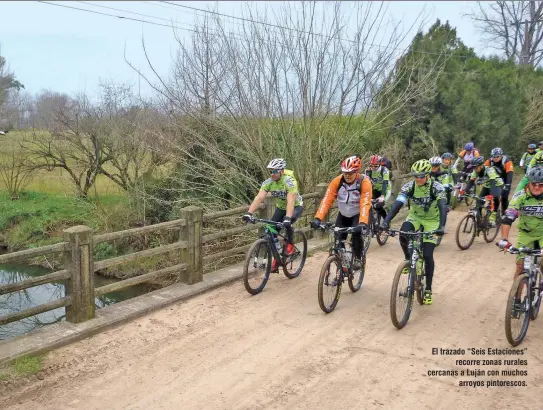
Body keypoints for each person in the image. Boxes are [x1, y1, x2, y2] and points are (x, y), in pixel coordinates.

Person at [380, 159, 447, 305]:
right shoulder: (409, 187)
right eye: (415, 176)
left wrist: (441, 227)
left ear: (428, 175)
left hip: (432, 221)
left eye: (421, 176)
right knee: (403, 233)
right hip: (415, 217)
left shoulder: (437, 187)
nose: (418, 179)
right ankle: (408, 258)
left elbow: (442, 207)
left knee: (428, 254)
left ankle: (428, 288)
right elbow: (397, 205)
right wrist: (386, 221)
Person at [242, 158, 304, 271]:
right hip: (281, 208)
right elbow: (259, 197)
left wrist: (287, 218)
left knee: (288, 222)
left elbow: (290, 201)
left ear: (281, 171)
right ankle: (277, 259)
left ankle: (290, 245)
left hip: (295, 206)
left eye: (275, 171)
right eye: (271, 171)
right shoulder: (268, 182)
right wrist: (249, 213)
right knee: (271, 231)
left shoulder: (289, 182)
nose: (272, 174)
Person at [311, 155, 372, 269]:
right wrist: (318, 218)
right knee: (338, 238)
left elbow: (365, 202)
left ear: (357, 172)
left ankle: (358, 258)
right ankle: (343, 261)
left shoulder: (364, 182)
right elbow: (327, 200)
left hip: (358, 214)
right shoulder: (337, 181)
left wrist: (362, 222)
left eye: (351, 173)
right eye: (345, 172)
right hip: (343, 214)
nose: (348, 175)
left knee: (356, 234)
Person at [498, 167, 543, 290]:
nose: (537, 187)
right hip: (526, 233)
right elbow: (508, 218)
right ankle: (516, 301)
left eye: (541, 185)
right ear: (529, 183)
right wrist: (504, 239)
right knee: (520, 266)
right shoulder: (520, 196)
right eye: (534, 184)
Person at [460, 156, 503, 227]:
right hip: (486, 186)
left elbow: (492, 182)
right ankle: (479, 222)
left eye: (476, 167)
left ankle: (493, 217)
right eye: (473, 167)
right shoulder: (475, 172)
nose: (474, 169)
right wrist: (464, 191)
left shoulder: (490, 170)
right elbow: (471, 182)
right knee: (478, 202)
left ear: (481, 166)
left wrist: (491, 195)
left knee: (495, 198)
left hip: (496, 185)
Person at [484, 147, 513, 214]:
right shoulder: (489, 161)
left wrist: (508, 185)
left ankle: (504, 212)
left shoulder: (507, 161)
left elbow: (510, 174)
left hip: (505, 179)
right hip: (494, 179)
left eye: (497, 156)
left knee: (504, 196)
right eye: (493, 156)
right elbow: (483, 170)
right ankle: (492, 211)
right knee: (492, 195)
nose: (495, 158)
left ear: (501, 155)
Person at [364, 154, 391, 219]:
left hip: (385, 189)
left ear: (379, 165)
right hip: (375, 189)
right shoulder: (368, 171)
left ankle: (386, 220)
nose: (373, 168)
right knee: (369, 203)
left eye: (375, 166)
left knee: (378, 205)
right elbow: (367, 183)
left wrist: (382, 196)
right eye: (371, 166)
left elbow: (385, 183)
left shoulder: (384, 170)